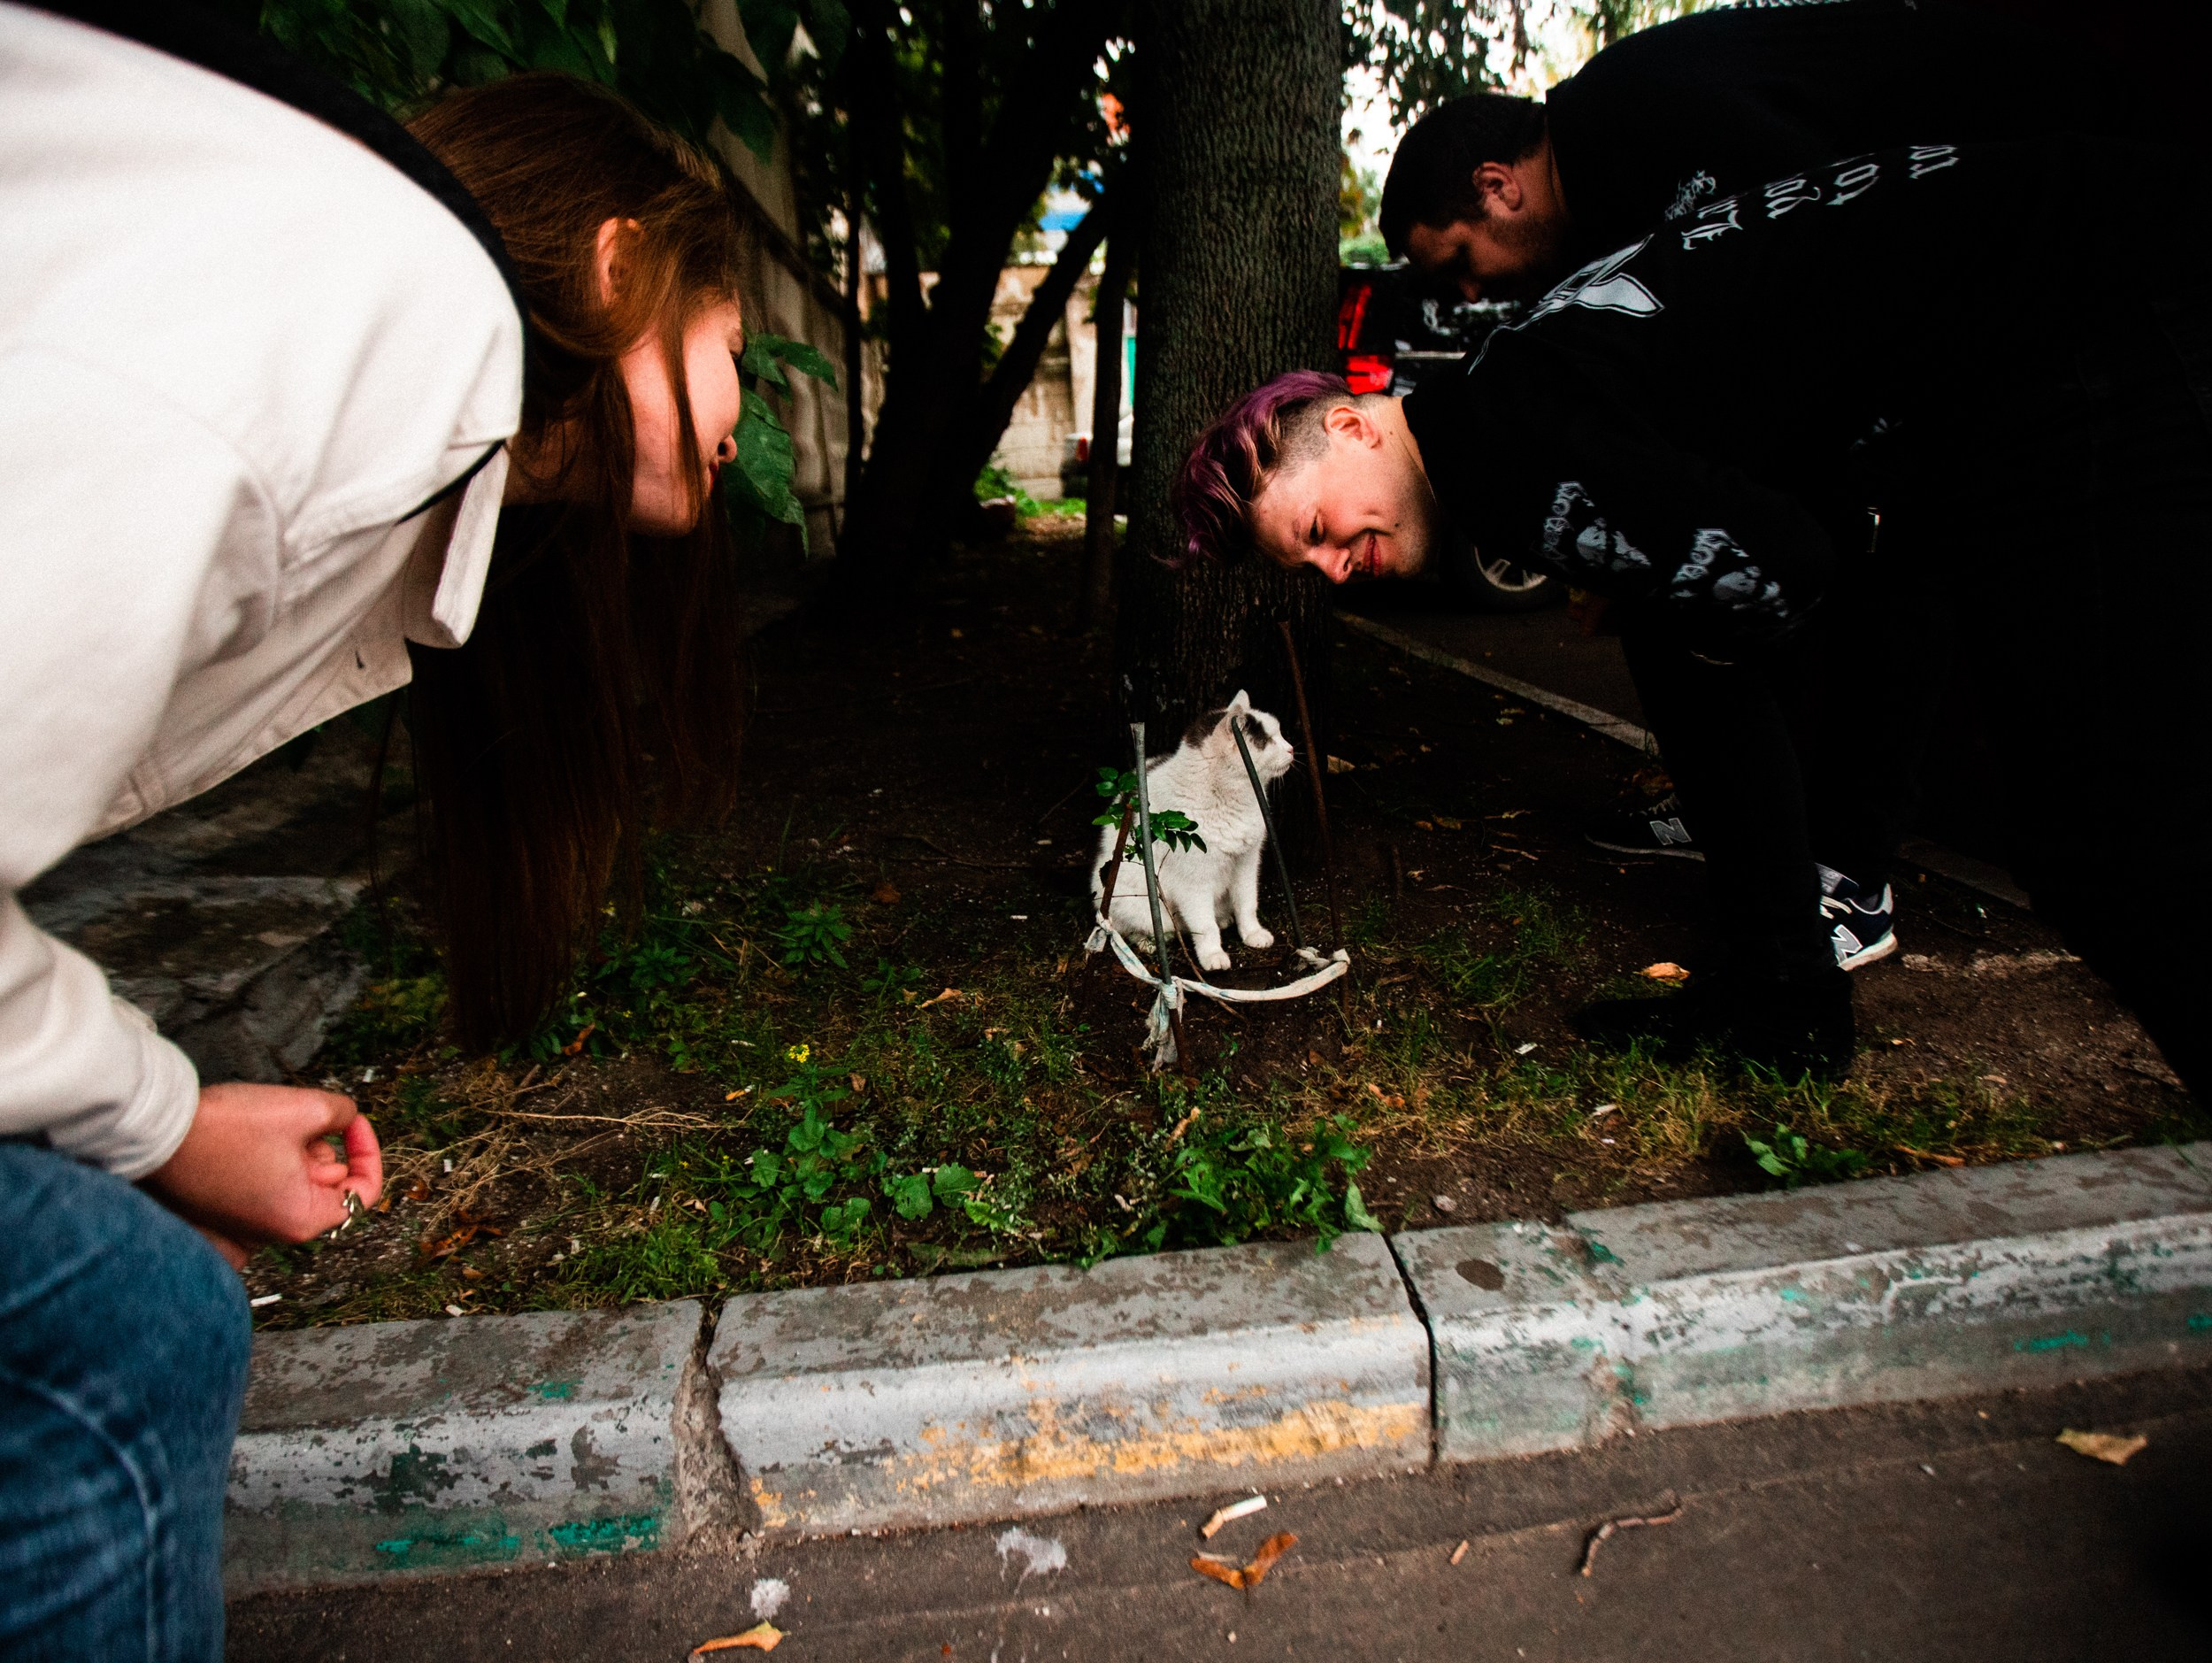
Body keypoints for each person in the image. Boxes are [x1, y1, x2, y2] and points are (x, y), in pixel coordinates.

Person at [0, 7, 750, 1653]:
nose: (744, 413)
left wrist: (143, 1119)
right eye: (732, 348)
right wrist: (153, 1123)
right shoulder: (373, 332)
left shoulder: (362, 328)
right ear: (620, 266)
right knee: (133, 1322)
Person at [1172, 138, 2212, 1092]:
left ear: (1351, 426)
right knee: (1689, 632)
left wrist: (1677, 590)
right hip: (2032, 307)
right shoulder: (1509, 390)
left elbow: (1791, 569)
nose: (1336, 571)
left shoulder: (1503, 449)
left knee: (2100, 824)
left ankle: (1787, 997)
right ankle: (1787, 995)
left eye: (1315, 530)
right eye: (1309, 566)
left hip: (2078, 307)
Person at [1373, 0, 2149, 968]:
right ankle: (1748, 823)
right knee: (1725, 571)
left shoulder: (1639, 119)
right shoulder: (1606, 193)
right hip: (1941, 284)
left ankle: (1851, 881)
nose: (1472, 298)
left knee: (1885, 552)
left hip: (2047, 229)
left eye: (1459, 263)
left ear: (1498, 186)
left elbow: (1829, 259)